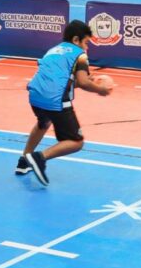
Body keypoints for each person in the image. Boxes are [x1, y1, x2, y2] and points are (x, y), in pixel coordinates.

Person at [17, 20, 113, 186]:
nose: (87, 47)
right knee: (76, 142)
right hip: (55, 101)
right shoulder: (80, 54)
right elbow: (82, 83)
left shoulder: (53, 50)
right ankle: (39, 158)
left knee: (43, 123)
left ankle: (24, 160)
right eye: (86, 43)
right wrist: (100, 89)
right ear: (76, 40)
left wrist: (81, 80)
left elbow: (58, 78)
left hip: (35, 96)